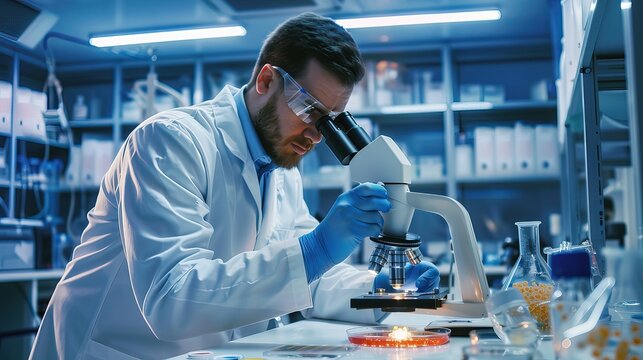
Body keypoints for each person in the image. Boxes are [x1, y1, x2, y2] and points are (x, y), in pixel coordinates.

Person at [30, 12, 439, 359]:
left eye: (333, 120)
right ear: (266, 82)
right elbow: (171, 297)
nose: (317, 135)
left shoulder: (282, 170)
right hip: (116, 350)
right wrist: (315, 247)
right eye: (310, 110)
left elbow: (305, 278)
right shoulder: (169, 141)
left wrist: (383, 292)